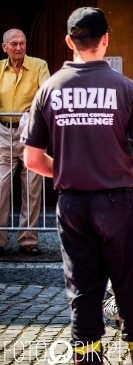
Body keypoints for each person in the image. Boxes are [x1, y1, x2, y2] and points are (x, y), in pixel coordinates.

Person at [22, 7, 133, 364]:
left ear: (69, 41)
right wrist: (123, 171)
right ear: (106, 39)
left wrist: (69, 170)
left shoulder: (49, 89)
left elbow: (32, 159)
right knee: (132, 283)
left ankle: (86, 358)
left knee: (83, 289)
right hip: (116, 201)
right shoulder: (125, 88)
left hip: (72, 204)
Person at [0, 29, 50, 256]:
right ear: (5, 47)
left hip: (31, 132)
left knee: (32, 188)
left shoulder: (39, 65)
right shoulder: (0, 68)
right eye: (13, 44)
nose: (19, 47)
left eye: (22, 43)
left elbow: (47, 91)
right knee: (1, 186)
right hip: (4, 131)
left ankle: (28, 240)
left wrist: (35, 106)